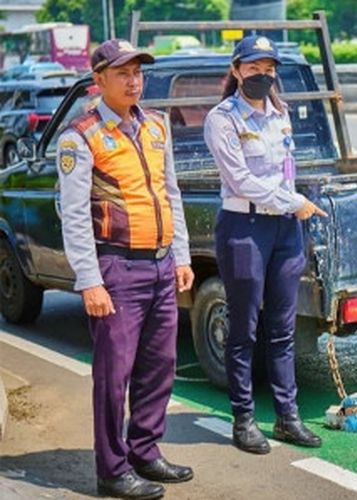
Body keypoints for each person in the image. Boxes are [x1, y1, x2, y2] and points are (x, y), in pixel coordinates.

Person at [57, 39, 195, 499]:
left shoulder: (156, 125)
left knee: (161, 366)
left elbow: (170, 192)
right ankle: (111, 470)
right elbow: (73, 214)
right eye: (122, 72)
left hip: (159, 266)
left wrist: (181, 255)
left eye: (138, 71)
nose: (134, 79)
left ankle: (145, 451)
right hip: (116, 269)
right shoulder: (81, 136)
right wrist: (89, 279)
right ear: (98, 81)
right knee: (113, 375)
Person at [204, 35, 327, 454]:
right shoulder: (223, 119)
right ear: (236, 70)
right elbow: (241, 181)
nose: (262, 75)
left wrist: (293, 205)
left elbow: (285, 170)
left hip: (285, 230)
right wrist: (296, 202)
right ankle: (243, 419)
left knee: (282, 328)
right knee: (243, 329)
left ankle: (287, 418)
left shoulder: (281, 113)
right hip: (245, 228)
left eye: (268, 68)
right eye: (253, 68)